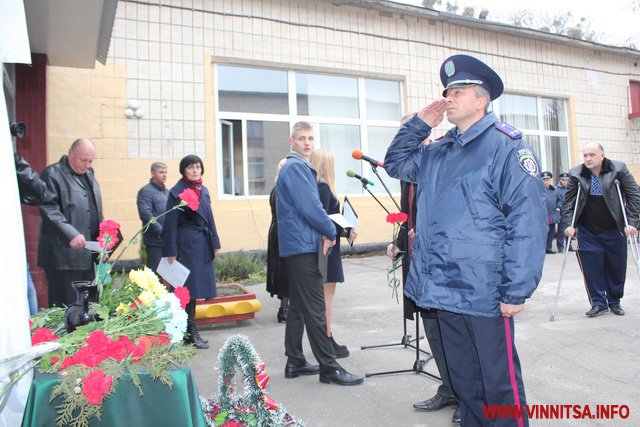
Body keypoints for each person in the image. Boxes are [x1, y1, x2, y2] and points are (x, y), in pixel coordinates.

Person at [385, 54, 547, 426]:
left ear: (481, 99)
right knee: (464, 383)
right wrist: (419, 125)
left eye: (458, 91)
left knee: (498, 385)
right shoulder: (438, 151)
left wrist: (515, 289)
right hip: (442, 286)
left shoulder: (507, 147)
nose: (449, 98)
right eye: (447, 91)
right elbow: (395, 163)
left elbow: (527, 222)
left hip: (484, 290)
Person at [276, 121, 363, 386]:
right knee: (315, 307)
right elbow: (312, 208)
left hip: (297, 246)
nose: (307, 143)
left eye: (310, 138)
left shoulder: (294, 168)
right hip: (303, 246)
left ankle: (295, 360)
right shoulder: (298, 168)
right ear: (292, 142)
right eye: (301, 138)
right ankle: (329, 367)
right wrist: (330, 230)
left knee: (299, 307)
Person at [387, 180, 460, 424]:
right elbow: (408, 218)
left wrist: (429, 231)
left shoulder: (440, 167)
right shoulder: (408, 180)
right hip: (421, 268)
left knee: (453, 335)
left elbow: (458, 212)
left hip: (445, 264)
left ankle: (466, 398)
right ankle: (449, 389)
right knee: (433, 331)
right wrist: (398, 244)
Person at [561, 143, 640, 317]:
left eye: (592, 155)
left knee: (616, 266)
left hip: (614, 227)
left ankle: (614, 301)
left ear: (602, 155)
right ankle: (598, 302)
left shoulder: (618, 169)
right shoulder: (576, 173)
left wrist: (633, 222)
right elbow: (569, 202)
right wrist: (569, 224)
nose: (588, 159)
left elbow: (634, 195)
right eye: (585, 155)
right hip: (588, 229)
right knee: (591, 266)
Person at [162, 154, 221, 349]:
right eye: (191, 167)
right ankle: (189, 332)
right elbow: (169, 223)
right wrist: (170, 250)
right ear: (183, 170)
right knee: (187, 290)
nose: (195, 170)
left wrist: (215, 241)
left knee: (195, 291)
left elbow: (209, 217)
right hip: (186, 245)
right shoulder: (176, 191)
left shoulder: (203, 190)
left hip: (202, 244)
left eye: (198, 167)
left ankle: (191, 330)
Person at [38, 138, 103, 308]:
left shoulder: (89, 174)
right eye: (83, 160)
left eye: (90, 160)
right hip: (63, 256)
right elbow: (49, 208)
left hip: (89, 254)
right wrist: (71, 234)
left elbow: (93, 208)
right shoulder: (52, 174)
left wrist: (104, 233)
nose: (87, 165)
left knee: (87, 305)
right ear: (70, 153)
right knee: (66, 305)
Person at [310, 148, 356, 359]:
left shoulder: (318, 187)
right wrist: (342, 229)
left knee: (325, 297)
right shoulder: (323, 187)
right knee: (326, 298)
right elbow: (325, 219)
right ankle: (326, 341)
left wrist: (346, 229)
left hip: (327, 246)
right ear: (328, 164)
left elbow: (330, 217)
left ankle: (328, 338)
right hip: (327, 249)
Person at [15, 152, 52, 314]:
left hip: (13, 255)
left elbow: (39, 193)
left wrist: (15, 160)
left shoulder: (10, 163)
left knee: (27, 291)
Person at [266, 158, 289, 323]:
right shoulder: (282, 190)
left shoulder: (277, 188)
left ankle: (285, 308)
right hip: (282, 233)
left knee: (284, 270)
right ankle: (284, 309)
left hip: (277, 231)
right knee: (285, 270)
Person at [136, 161, 169, 271]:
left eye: (165, 172)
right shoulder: (146, 191)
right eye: (161, 172)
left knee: (168, 274)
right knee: (156, 272)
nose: (164, 175)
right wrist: (162, 231)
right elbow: (146, 214)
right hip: (155, 241)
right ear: (153, 174)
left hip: (168, 240)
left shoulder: (167, 192)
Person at [542, 171, 563, 254]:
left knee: (551, 231)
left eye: (548, 180)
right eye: (544, 180)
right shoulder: (538, 190)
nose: (546, 182)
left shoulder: (555, 190)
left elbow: (559, 200)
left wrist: (558, 207)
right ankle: (542, 249)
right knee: (543, 232)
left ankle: (548, 248)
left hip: (552, 214)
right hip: (543, 215)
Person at [555, 172, 574, 252]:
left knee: (570, 229)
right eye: (563, 180)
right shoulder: (557, 190)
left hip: (570, 212)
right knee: (561, 230)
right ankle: (560, 246)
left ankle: (569, 246)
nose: (565, 182)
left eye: (566, 180)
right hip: (562, 212)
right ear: (561, 180)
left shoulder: (571, 189)